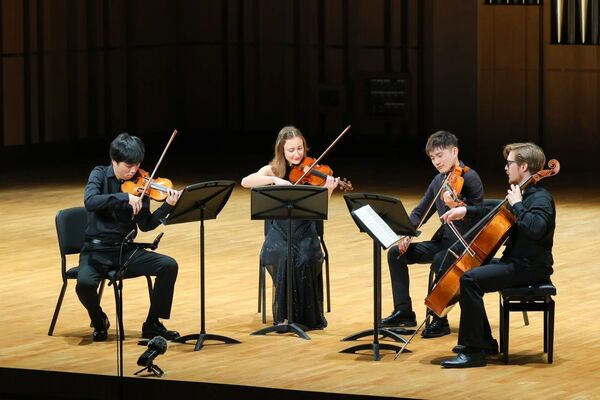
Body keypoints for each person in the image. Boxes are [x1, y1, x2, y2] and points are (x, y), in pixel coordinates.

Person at [439, 142, 555, 368]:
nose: (505, 167)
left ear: (523, 167)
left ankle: (473, 352)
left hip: (530, 267)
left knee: (470, 280)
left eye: (509, 163)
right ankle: (483, 342)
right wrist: (465, 210)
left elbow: (536, 228)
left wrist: (518, 205)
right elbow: (495, 207)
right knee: (466, 268)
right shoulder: (523, 193)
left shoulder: (540, 198)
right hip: (517, 262)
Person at [76, 133, 182, 342]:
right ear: (114, 161)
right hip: (96, 250)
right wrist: (124, 197)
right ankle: (99, 320)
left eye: (137, 164)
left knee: (168, 266)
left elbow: (146, 224)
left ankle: (152, 323)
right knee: (84, 286)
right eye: (128, 165)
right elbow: (90, 201)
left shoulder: (142, 185)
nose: (133, 170)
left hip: (125, 251)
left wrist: (167, 207)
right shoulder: (99, 174)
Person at [382, 131, 484, 338]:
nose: (436, 162)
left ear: (454, 152)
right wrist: (407, 233)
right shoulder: (439, 180)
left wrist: (455, 206)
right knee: (395, 254)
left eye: (440, 155)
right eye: (432, 158)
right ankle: (404, 312)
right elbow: (421, 211)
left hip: (466, 245)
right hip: (445, 241)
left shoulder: (470, 177)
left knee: (440, 260)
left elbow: (480, 216)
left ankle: (439, 319)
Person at [241, 126, 339, 329]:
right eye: (291, 150)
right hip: (279, 233)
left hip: (305, 232)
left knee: (305, 258)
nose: (297, 154)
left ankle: (306, 317)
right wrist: (274, 180)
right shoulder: (272, 170)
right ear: (282, 150)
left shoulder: (312, 170)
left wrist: (327, 190)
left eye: (300, 149)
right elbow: (245, 182)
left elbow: (318, 210)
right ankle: (285, 315)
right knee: (284, 257)